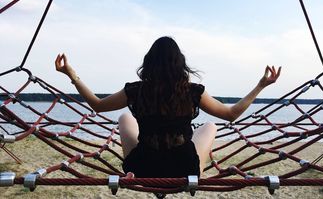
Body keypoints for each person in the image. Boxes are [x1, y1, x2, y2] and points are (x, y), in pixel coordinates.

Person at [55, 36, 281, 178]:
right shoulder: (192, 91)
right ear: (180, 63)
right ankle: (200, 169)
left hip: (142, 167)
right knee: (211, 125)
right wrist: (260, 85)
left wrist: (71, 74)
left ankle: (134, 167)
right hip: (184, 169)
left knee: (125, 118)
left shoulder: (136, 90)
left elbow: (97, 105)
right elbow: (232, 114)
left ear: (149, 62)